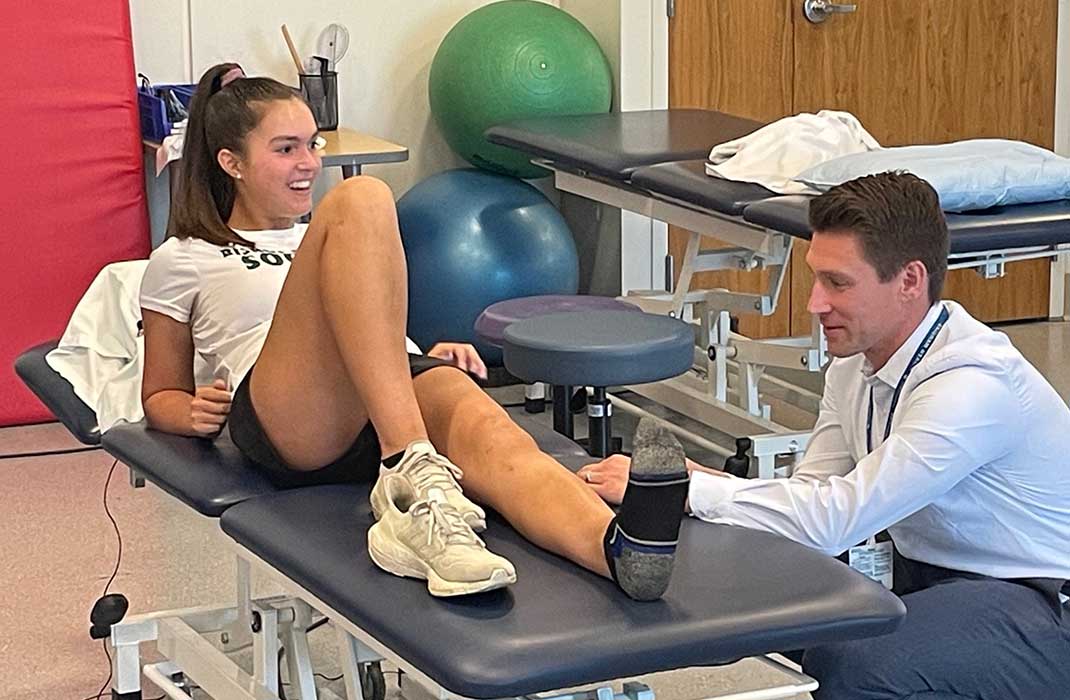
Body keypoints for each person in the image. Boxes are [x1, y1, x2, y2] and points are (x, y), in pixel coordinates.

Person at [138, 62, 690, 600]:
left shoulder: (339, 237)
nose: (308, 163)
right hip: (294, 416)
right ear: (231, 163)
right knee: (364, 195)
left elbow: (375, 326)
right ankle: (410, 472)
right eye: (285, 150)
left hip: (393, 388)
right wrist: (185, 412)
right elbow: (157, 393)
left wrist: (426, 351)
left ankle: (619, 550)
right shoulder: (187, 258)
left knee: (504, 448)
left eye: (313, 145)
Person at [579, 173, 1070, 698]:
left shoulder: (972, 386)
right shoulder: (856, 360)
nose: (815, 303)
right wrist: (709, 487)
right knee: (776, 603)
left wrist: (691, 490)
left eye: (838, 283)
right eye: (816, 278)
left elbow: (838, 520)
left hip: (1038, 600)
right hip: (931, 573)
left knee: (856, 663)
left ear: (909, 280)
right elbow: (812, 497)